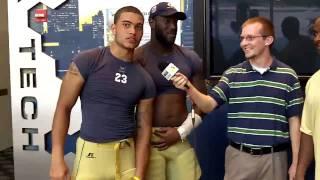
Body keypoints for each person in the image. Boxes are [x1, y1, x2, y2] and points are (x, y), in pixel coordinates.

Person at [172, 16, 303, 180]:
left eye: (250, 38)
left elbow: (294, 122)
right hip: (239, 158)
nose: (243, 43)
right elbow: (208, 106)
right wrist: (188, 87)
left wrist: (296, 163)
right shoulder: (233, 74)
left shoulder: (288, 76)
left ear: (268, 40)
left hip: (275, 159)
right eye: (242, 38)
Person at [49, 6, 155, 180]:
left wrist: (139, 176)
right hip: (91, 157)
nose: (133, 31)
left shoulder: (144, 78)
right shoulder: (87, 60)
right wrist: (56, 157)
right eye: (126, 25)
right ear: (114, 28)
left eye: (138, 26)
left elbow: (144, 130)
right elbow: (63, 107)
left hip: (127, 156)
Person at [134, 2, 205, 180]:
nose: (172, 26)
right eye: (166, 20)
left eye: (175, 21)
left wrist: (182, 132)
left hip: (179, 137)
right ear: (151, 22)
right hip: (148, 140)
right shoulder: (136, 58)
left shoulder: (190, 58)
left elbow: (202, 104)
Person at [296, 16, 320, 180]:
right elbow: (308, 131)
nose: (316, 39)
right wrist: (300, 171)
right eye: (315, 33)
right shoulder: (314, 81)